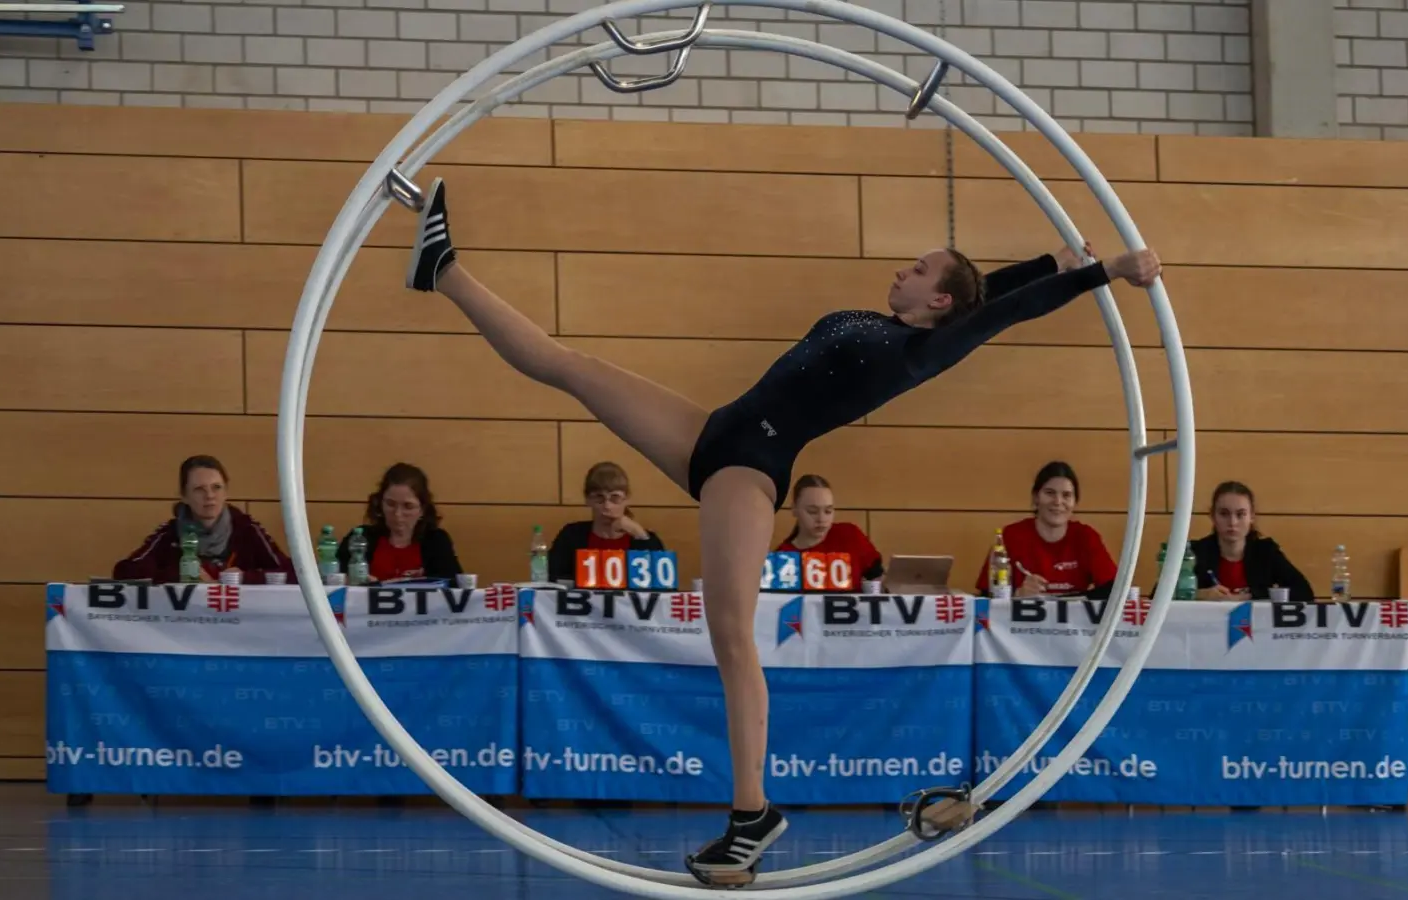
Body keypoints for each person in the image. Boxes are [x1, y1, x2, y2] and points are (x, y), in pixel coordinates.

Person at [400, 176, 1161, 884]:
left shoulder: (922, 350)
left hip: (749, 469)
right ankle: (443, 271)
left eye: (919, 268)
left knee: (730, 634)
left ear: (936, 304)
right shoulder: (892, 320)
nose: (904, 269)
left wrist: (1109, 270)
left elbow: (993, 311)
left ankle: (750, 814)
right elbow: (987, 290)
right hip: (712, 433)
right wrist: (1052, 258)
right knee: (572, 365)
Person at [113, 455, 293, 584]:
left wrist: (244, 578)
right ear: (184, 496)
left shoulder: (246, 529)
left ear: (226, 493)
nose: (210, 496)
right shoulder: (170, 533)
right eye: (199, 489)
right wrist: (181, 574)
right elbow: (125, 571)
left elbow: (291, 572)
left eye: (217, 488)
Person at [973, 461, 1116, 599]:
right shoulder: (1010, 536)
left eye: (1066, 495)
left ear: (1074, 502)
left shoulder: (1086, 536)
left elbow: (1114, 589)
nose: (1058, 502)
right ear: (1036, 498)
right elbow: (986, 596)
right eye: (1050, 493)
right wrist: (1017, 594)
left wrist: (1073, 599)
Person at [336, 462, 463, 583]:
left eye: (408, 506)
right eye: (390, 504)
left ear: (422, 509)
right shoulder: (360, 538)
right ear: (380, 503)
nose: (397, 514)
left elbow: (455, 587)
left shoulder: (437, 541)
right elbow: (330, 582)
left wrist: (427, 579)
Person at [1190, 480, 1313, 602]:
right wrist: (1198, 594)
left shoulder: (1266, 552)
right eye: (1224, 514)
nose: (1233, 522)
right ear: (1212, 516)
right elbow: (1173, 593)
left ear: (1252, 517)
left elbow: (1304, 593)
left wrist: (1250, 596)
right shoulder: (1195, 552)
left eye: (1240, 514)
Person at [548, 461, 666, 584]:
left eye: (615, 498)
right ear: (588, 500)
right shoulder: (571, 535)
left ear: (627, 499)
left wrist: (640, 534)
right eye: (599, 498)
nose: (607, 506)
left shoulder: (644, 538)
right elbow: (553, 581)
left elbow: (663, 588)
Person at [776, 474, 883, 592]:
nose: (821, 519)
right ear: (794, 509)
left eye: (828, 511)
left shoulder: (850, 534)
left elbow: (878, 578)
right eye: (812, 511)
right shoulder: (785, 556)